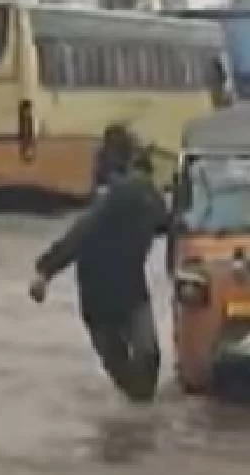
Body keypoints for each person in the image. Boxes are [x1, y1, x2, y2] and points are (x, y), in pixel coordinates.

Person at [29, 150, 168, 403]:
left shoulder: (151, 205)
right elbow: (75, 239)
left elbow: (174, 225)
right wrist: (44, 272)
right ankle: (134, 419)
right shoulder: (108, 209)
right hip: (99, 302)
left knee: (148, 356)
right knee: (123, 368)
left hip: (131, 295)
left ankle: (141, 416)